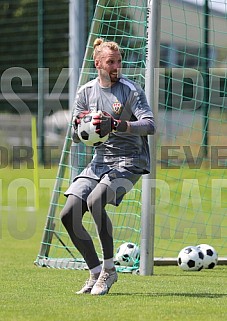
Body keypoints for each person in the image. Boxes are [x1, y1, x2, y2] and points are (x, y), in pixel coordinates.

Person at [60, 38, 156, 295]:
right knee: (68, 214)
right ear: (98, 63)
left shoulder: (131, 90)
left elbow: (149, 125)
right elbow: (74, 134)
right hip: (99, 162)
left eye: (119, 62)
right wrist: (83, 125)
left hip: (130, 160)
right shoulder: (85, 92)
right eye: (111, 62)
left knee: (95, 200)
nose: (116, 67)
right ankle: (94, 272)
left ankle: (109, 270)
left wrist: (117, 124)